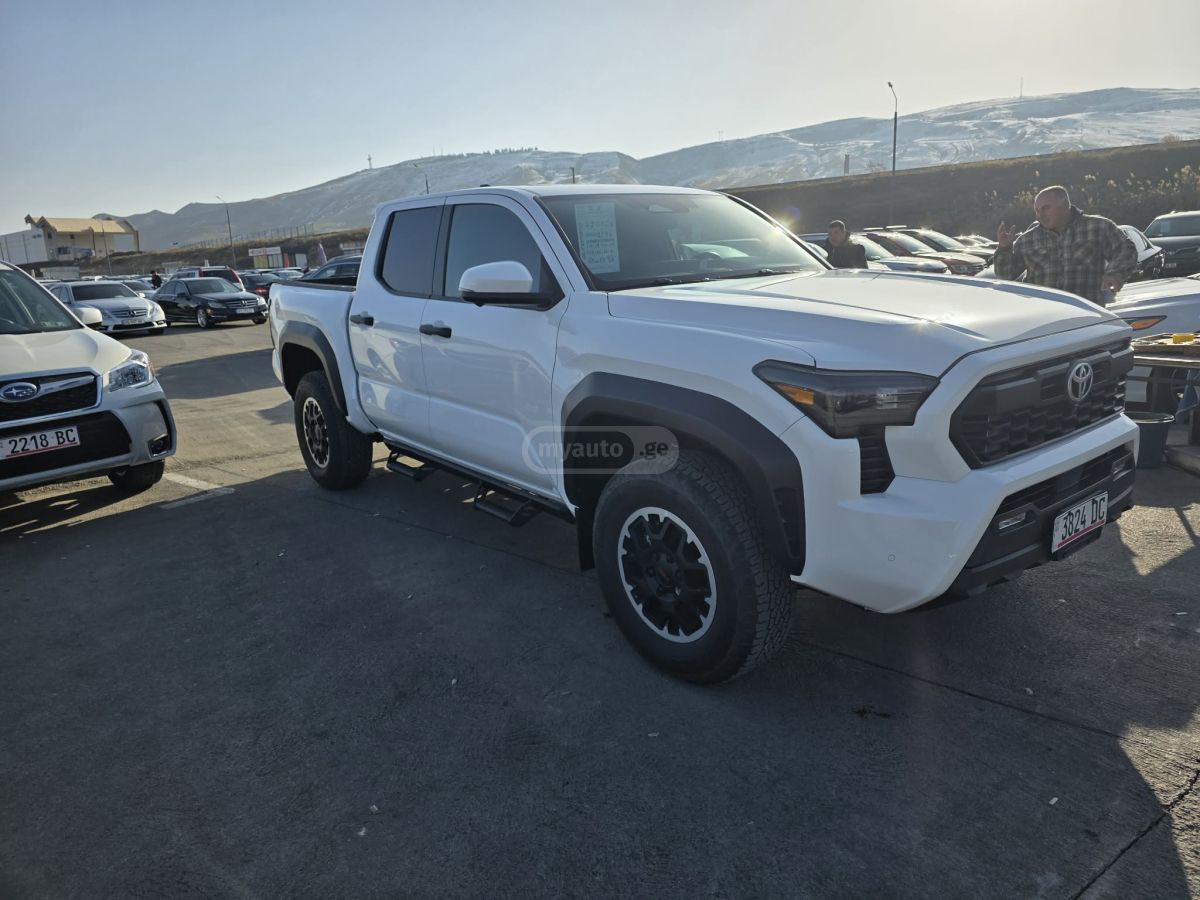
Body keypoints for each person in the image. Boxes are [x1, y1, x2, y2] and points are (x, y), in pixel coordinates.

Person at [994, 186, 1136, 306]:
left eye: (1046, 208)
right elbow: (1005, 275)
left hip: (1087, 314)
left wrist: (1115, 273)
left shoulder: (1098, 227)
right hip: (1043, 317)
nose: (1040, 215)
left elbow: (1125, 248)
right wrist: (1004, 248)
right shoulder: (1028, 240)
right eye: (1037, 210)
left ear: (1065, 206)